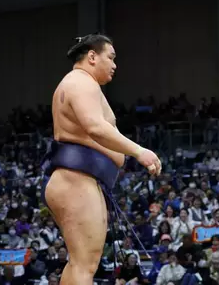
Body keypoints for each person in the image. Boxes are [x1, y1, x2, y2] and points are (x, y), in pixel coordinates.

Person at [43, 34, 162, 284]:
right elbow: (95, 127)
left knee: (81, 261)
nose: (115, 64)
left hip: (79, 179)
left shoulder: (82, 84)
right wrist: (139, 151)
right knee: (85, 263)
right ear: (92, 56)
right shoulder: (80, 82)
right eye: (111, 57)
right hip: (76, 178)